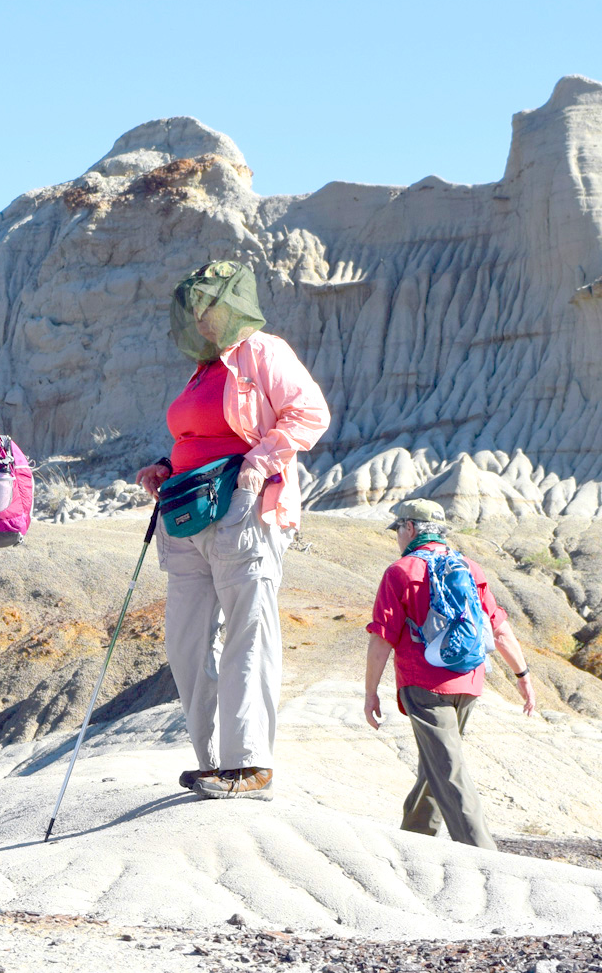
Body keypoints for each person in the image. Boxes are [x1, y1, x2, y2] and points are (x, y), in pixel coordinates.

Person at [135, 260, 330, 800]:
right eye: (193, 309)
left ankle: (250, 763)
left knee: (250, 631)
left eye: (208, 306)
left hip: (244, 509)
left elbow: (309, 413)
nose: (199, 318)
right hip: (188, 512)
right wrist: (165, 466)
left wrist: (258, 463)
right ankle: (213, 761)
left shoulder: (263, 352)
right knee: (186, 640)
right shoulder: (202, 369)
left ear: (230, 306)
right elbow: (201, 435)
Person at [363, 498, 536, 850]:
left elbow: (381, 639)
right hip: (470, 682)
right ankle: (414, 842)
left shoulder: (401, 572)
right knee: (438, 764)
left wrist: (370, 693)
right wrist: (523, 675)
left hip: (424, 685)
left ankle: (485, 856)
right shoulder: (471, 569)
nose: (397, 535)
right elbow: (499, 630)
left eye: (398, 528)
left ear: (410, 528)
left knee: (448, 770)